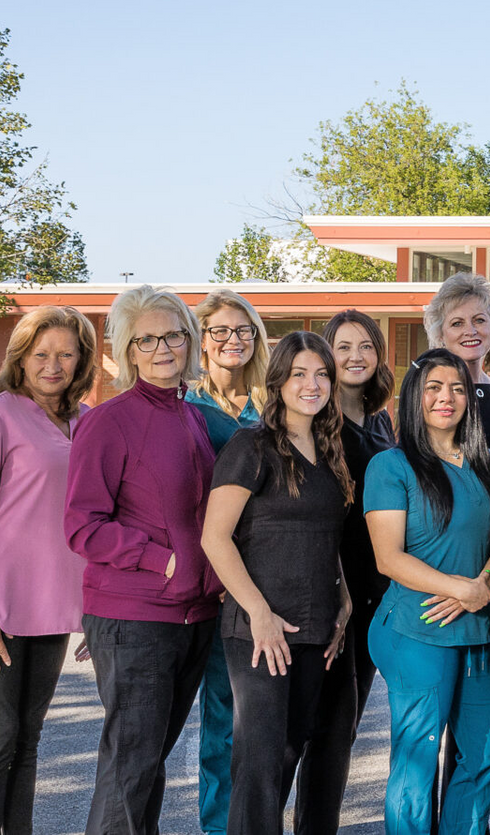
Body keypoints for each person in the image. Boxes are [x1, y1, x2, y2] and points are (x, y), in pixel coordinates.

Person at [64, 286, 222, 835]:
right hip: (137, 618)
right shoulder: (109, 421)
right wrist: (163, 562)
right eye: (147, 339)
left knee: (149, 765)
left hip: (194, 616)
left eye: (173, 335)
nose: (162, 348)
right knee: (131, 767)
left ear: (189, 341)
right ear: (129, 351)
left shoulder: (193, 418)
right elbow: (83, 525)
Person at [0, 307, 101, 835]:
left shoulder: (85, 422)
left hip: (52, 609)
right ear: (21, 358)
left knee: (28, 740)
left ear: (81, 360)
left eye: (65, 353)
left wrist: (94, 611)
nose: (52, 365)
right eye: (41, 354)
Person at [199, 332, 354, 835]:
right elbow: (215, 537)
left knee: (290, 749)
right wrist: (259, 615)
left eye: (322, 374)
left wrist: (344, 601)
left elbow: (328, 535)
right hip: (260, 631)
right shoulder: (252, 446)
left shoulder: (330, 450)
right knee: (259, 763)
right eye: (300, 374)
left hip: (316, 628)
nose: (313, 385)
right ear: (278, 381)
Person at [365, 348, 490, 835]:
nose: (446, 397)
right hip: (416, 629)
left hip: (477, 632)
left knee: (486, 752)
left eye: (456, 387)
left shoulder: (487, 462)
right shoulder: (392, 466)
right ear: (415, 397)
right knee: (418, 760)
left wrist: (481, 586)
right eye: (433, 387)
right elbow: (388, 557)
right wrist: (460, 588)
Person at [293, 310, 395, 835]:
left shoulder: (380, 422)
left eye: (366, 346)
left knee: (345, 728)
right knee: (327, 731)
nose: (356, 356)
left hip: (377, 596)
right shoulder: (318, 423)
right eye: (343, 346)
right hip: (337, 598)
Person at [187, 289, 270, 835]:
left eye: (243, 331)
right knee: (221, 718)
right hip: (207, 579)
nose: (232, 341)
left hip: (268, 573)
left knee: (260, 722)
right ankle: (218, 827)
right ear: (202, 340)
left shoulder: (273, 406)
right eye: (219, 331)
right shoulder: (184, 407)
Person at [425, 272, 490, 470]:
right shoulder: (428, 395)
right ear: (441, 333)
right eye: (457, 323)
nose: (470, 330)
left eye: (479, 320)